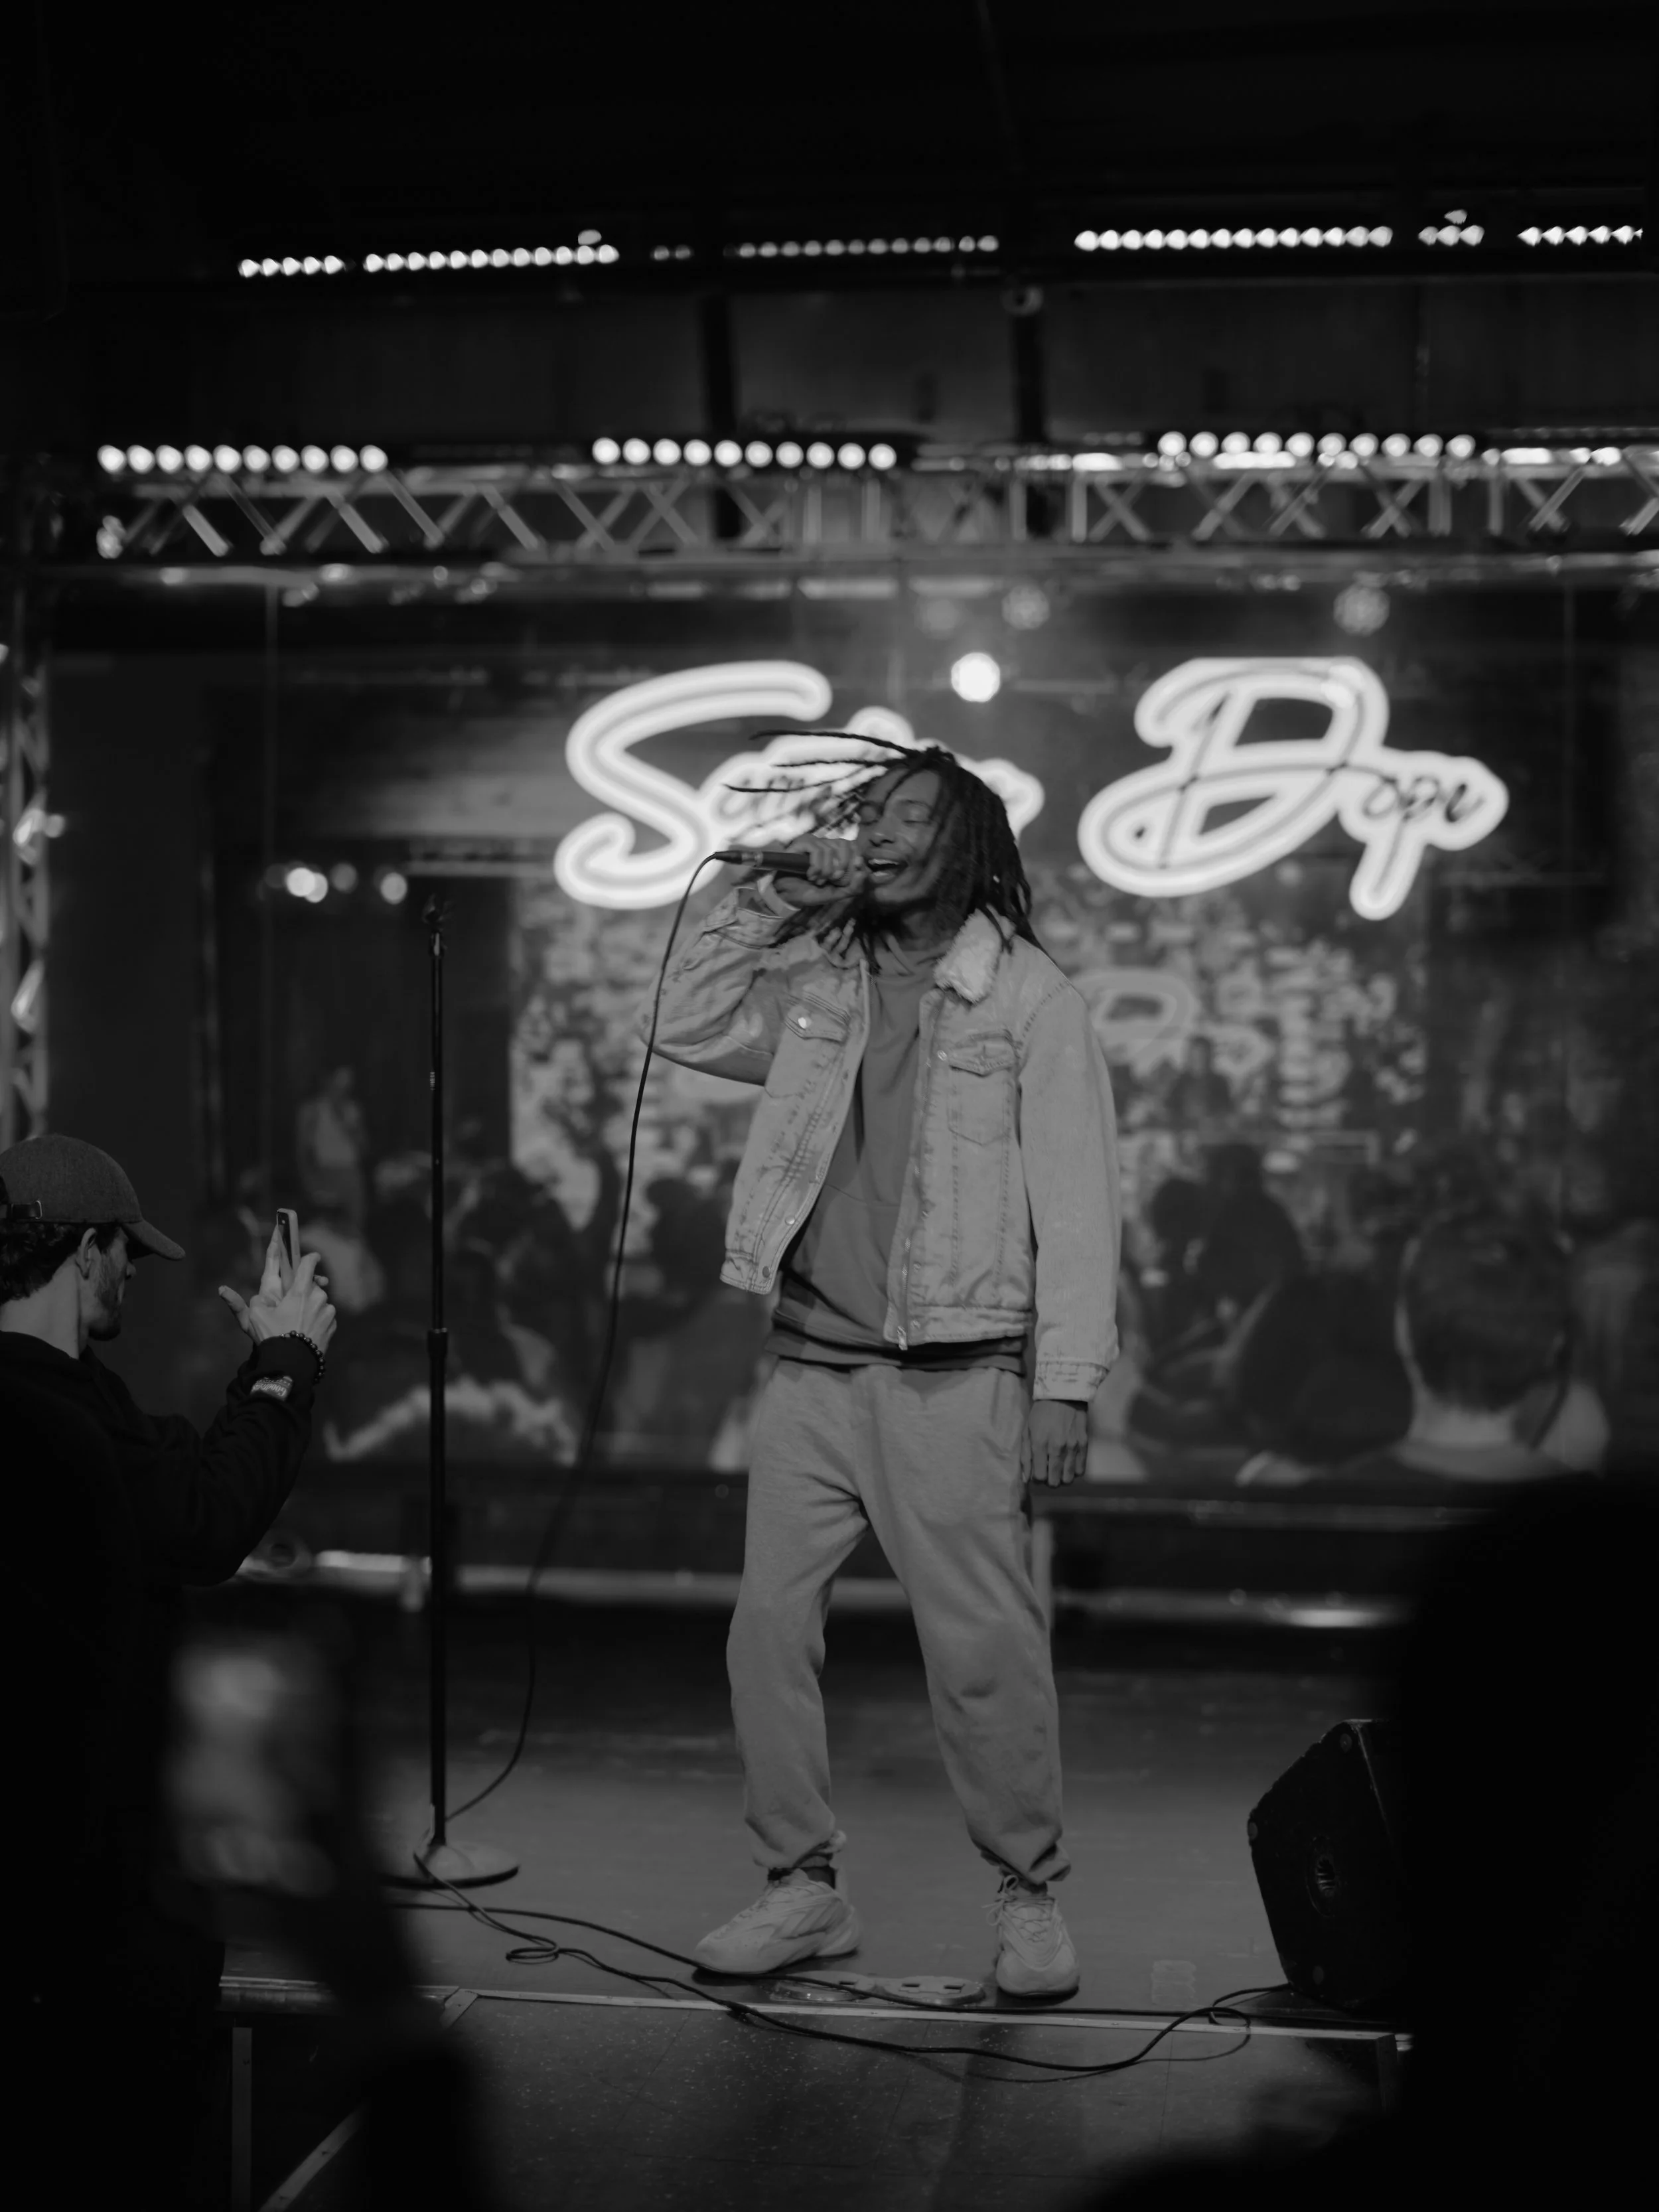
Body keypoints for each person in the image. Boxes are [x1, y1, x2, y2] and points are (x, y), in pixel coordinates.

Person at [641, 745, 1121, 2000]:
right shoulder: (820, 978)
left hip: (954, 1375)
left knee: (982, 1651)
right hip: (811, 1365)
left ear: (967, 844)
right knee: (766, 1634)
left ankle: (1027, 1893)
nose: (887, 834)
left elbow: (1079, 1200)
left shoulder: (1028, 998)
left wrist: (1065, 1381)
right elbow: (680, 1023)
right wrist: (768, 895)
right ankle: (801, 1884)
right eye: (876, 815)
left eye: (915, 816)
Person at [0, 1132, 336, 2197]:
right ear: (86, 1253)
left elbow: (185, 1485)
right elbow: (202, 1522)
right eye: (128, 1254)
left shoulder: (71, 1398)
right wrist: (288, 1366)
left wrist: (269, 1375)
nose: (134, 1276)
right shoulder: (63, 1424)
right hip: (89, 1898)